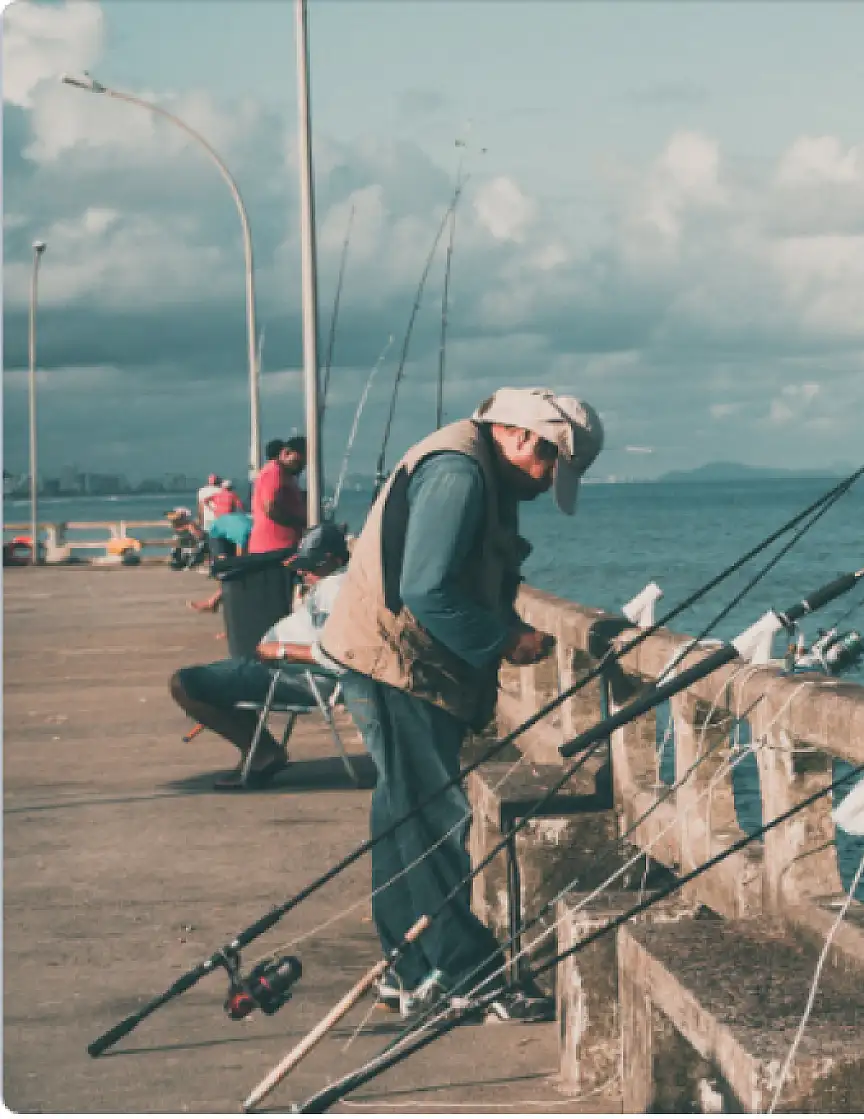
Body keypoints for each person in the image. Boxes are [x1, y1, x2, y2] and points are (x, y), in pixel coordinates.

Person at [319, 387, 603, 1024]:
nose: (546, 483)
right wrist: (504, 639)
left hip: (393, 662)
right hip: (396, 666)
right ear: (524, 436)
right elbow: (426, 589)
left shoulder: (484, 470)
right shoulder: (459, 473)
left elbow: (473, 571)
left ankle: (409, 969)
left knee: (402, 816)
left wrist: (499, 620)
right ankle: (466, 973)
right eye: (550, 465)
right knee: (431, 819)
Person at [168, 522, 351, 790]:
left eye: (310, 565)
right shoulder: (334, 581)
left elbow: (337, 652)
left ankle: (263, 753)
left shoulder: (336, 589)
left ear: (333, 560)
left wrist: (279, 650)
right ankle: (261, 752)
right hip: (282, 670)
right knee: (210, 682)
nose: (303, 571)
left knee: (184, 684)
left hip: (297, 677)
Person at [249, 436, 308, 555]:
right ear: (286, 453)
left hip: (283, 546)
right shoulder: (274, 471)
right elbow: (270, 507)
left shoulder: (286, 476)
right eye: (298, 462)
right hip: (273, 548)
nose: (301, 467)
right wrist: (298, 522)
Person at [189, 509, 255, 613]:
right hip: (217, 534)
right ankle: (216, 601)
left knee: (237, 569)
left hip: (232, 524)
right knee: (228, 568)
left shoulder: (251, 530)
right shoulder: (242, 535)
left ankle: (214, 601)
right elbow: (239, 561)